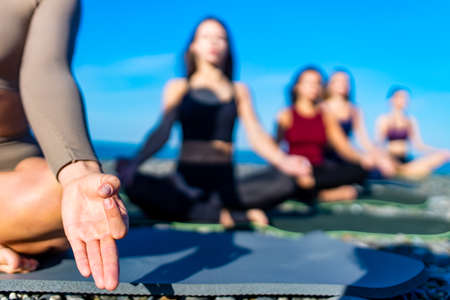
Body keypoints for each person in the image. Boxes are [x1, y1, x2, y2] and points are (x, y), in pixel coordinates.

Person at [118, 17, 308, 226]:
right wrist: (135, 162)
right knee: (131, 180)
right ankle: (226, 216)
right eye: (206, 37)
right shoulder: (178, 87)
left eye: (221, 38)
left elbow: (256, 134)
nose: (214, 42)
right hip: (185, 183)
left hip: (226, 185)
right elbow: (162, 132)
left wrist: (284, 161)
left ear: (228, 47)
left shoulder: (239, 90)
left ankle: (207, 211)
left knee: (288, 181)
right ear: (194, 46)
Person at [0, 0, 128, 290]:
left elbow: (45, 71)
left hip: (13, 152)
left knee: (73, 206)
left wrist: (78, 173)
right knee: (47, 238)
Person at [272, 66, 372, 202]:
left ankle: (312, 191)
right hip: (296, 169)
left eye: (318, 83)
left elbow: (343, 147)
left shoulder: (326, 115)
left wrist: (363, 159)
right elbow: (274, 147)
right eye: (309, 83)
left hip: (319, 170)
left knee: (360, 170)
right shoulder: (286, 114)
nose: (314, 87)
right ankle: (323, 195)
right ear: (297, 87)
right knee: (289, 181)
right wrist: (289, 166)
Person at [322, 68, 396, 177]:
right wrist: (364, 157)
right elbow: (339, 144)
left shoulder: (355, 109)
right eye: (339, 81)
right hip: (329, 156)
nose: (343, 84)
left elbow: (363, 138)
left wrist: (378, 155)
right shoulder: (323, 108)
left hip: (350, 153)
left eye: (346, 81)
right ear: (329, 85)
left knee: (383, 166)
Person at [375, 86, 450, 179]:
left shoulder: (410, 120)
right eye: (401, 97)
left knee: (439, 157)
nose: (404, 100)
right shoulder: (384, 119)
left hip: (407, 160)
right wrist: (384, 159)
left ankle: (403, 171)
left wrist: (440, 151)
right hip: (391, 159)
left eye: (406, 98)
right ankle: (403, 171)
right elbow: (379, 143)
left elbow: (419, 145)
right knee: (382, 161)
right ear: (391, 99)